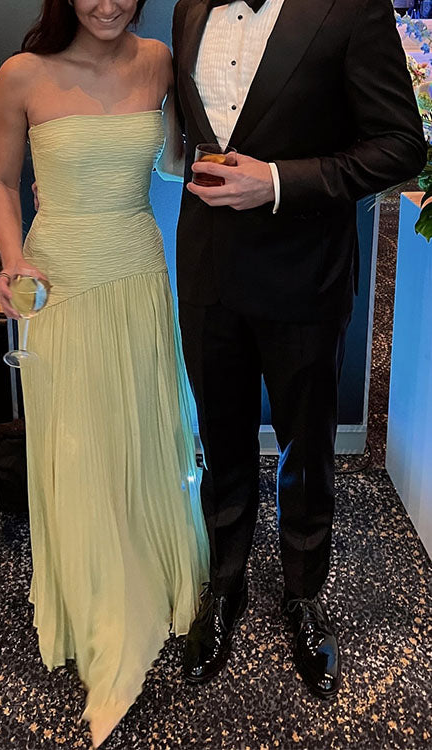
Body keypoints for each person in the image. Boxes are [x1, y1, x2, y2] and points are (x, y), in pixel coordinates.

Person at [172, 0, 427, 698]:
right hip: (207, 272)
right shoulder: (190, 9)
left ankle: (304, 595)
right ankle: (225, 586)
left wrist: (280, 181)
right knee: (220, 441)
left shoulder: (351, 9)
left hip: (307, 273)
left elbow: (401, 145)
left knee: (308, 451)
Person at [0, 1, 208, 746]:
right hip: (60, 280)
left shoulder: (159, 62)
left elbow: (173, 161)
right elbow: (1, 183)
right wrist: (14, 260)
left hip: (139, 269)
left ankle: (146, 566)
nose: (107, 4)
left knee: (140, 428)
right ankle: (99, 601)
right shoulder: (22, 74)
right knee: (77, 443)